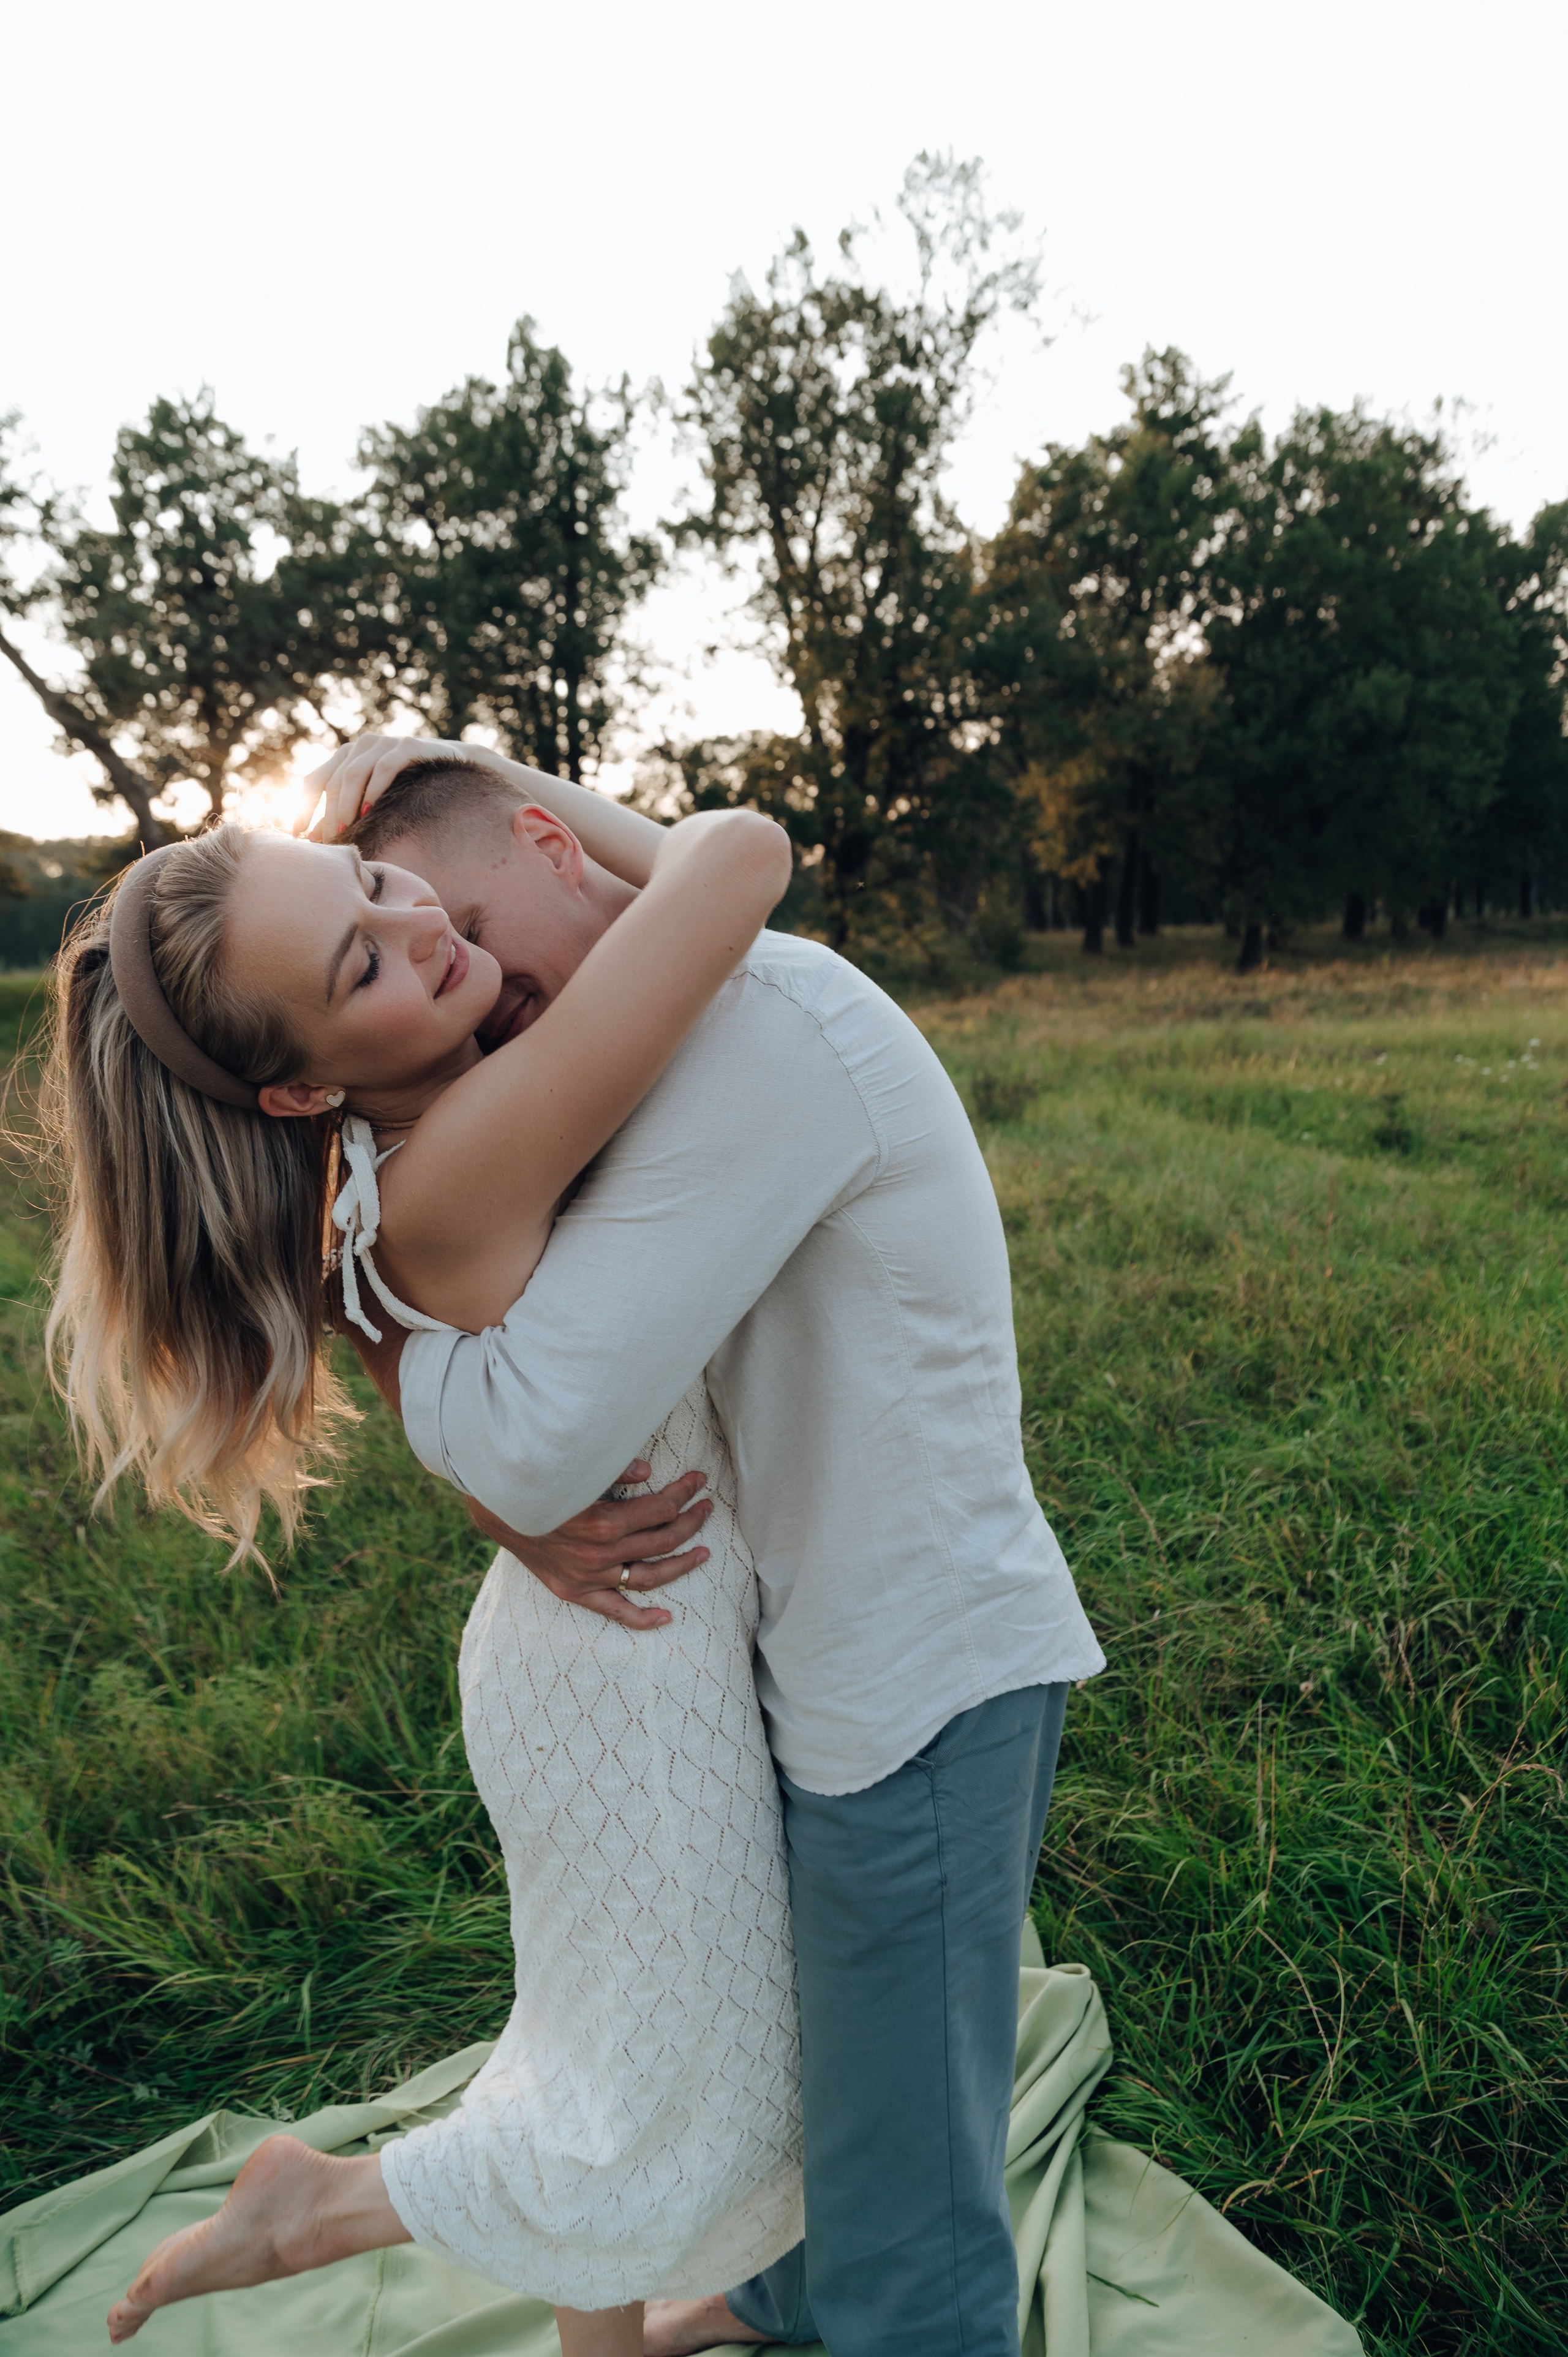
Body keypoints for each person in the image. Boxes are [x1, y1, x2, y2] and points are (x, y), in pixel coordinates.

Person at [309, 737, 1107, 2357]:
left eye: (467, 918)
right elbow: (468, 1334)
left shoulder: (762, 1034)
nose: (466, 985)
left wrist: (495, 1476)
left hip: (918, 1690)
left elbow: (536, 1427)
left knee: (908, 2241)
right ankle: (768, 2297)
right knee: (810, 2113)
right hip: (798, 1678)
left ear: (555, 845)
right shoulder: (642, 1051)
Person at [40, 793, 805, 2357]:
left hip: (580, 1639)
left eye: (380, 880)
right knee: (697, 2088)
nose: (423, 925)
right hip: (631, 1668)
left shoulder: (377, 1169)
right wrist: (496, 781)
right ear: (306, 1078)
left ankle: (612, 2341)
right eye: (360, 961)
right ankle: (319, 2206)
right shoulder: (483, 1132)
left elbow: (422, 1362)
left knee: (610, 2041)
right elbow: (743, 858)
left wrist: (504, 1505)